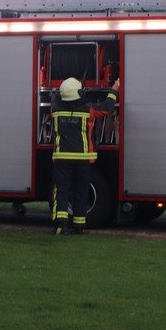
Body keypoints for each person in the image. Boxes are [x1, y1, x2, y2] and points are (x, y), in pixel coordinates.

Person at [49, 76, 120, 235]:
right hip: (82, 160)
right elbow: (108, 108)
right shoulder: (88, 110)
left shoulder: (54, 111)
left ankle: (60, 226)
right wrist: (114, 89)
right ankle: (79, 226)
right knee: (80, 191)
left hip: (62, 158)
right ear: (79, 93)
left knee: (61, 191)